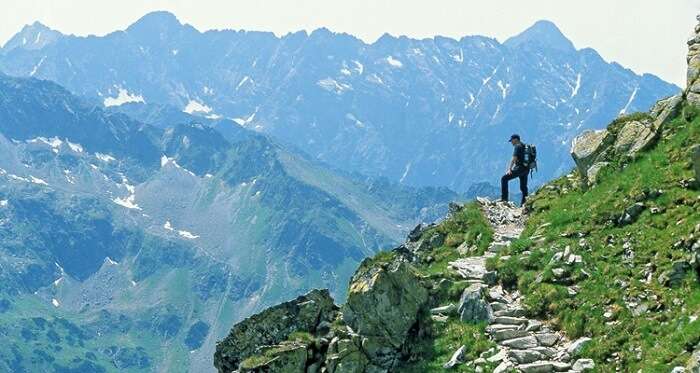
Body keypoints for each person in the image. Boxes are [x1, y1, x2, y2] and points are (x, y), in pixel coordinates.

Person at [501, 134, 528, 205]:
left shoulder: (517, 146)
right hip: (526, 169)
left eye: (512, 141)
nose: (511, 143)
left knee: (504, 178)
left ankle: (504, 199)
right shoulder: (524, 145)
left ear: (515, 139)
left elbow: (514, 158)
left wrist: (509, 169)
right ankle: (524, 203)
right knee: (523, 187)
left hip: (519, 168)